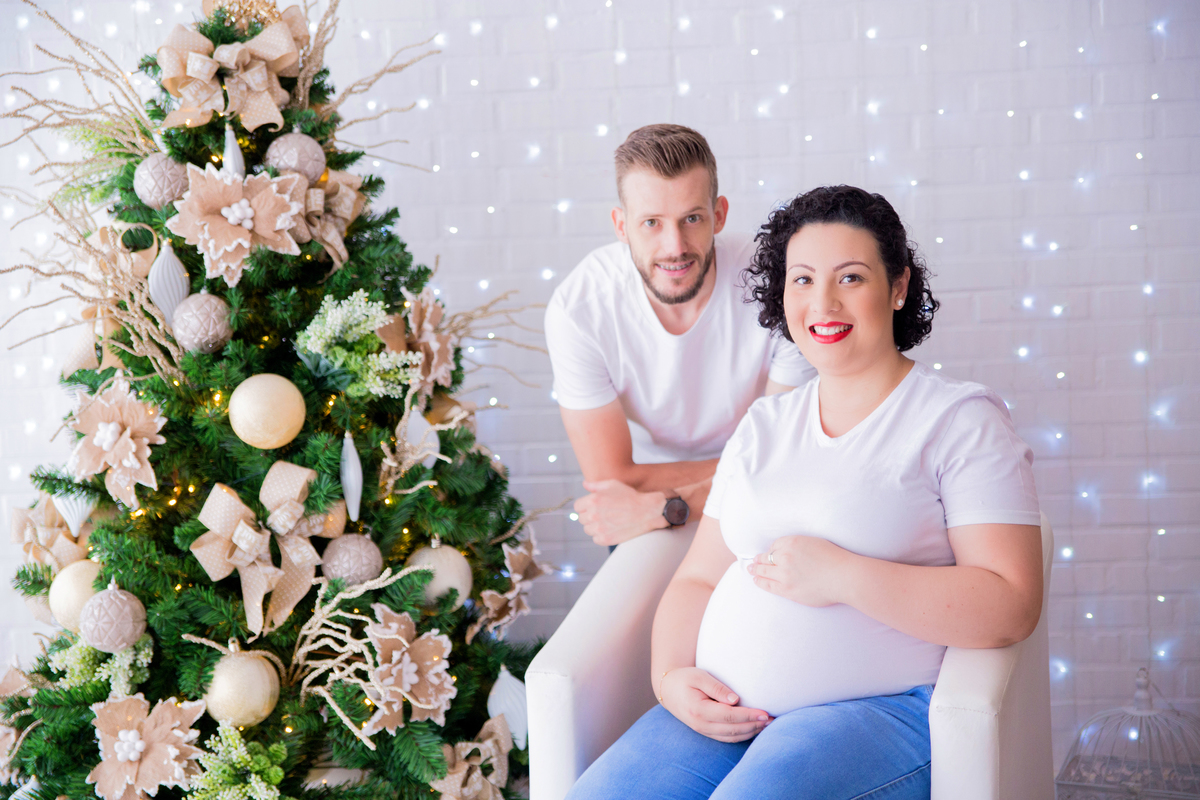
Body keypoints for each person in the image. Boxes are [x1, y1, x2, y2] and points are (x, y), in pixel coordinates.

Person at [565, 185, 1045, 800]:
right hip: (727, 711)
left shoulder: (959, 421)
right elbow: (698, 580)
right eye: (802, 279)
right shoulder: (764, 425)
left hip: (877, 712)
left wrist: (843, 576)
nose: (822, 302)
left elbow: (1010, 604)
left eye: (850, 278)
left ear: (897, 287)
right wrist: (669, 678)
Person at [544, 124, 814, 547]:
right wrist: (746, 471)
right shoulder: (579, 310)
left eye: (692, 218)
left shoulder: (777, 283)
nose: (674, 246)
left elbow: (784, 457)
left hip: (755, 498)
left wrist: (675, 505)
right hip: (638, 500)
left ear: (719, 215)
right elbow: (610, 477)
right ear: (621, 225)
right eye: (651, 222)